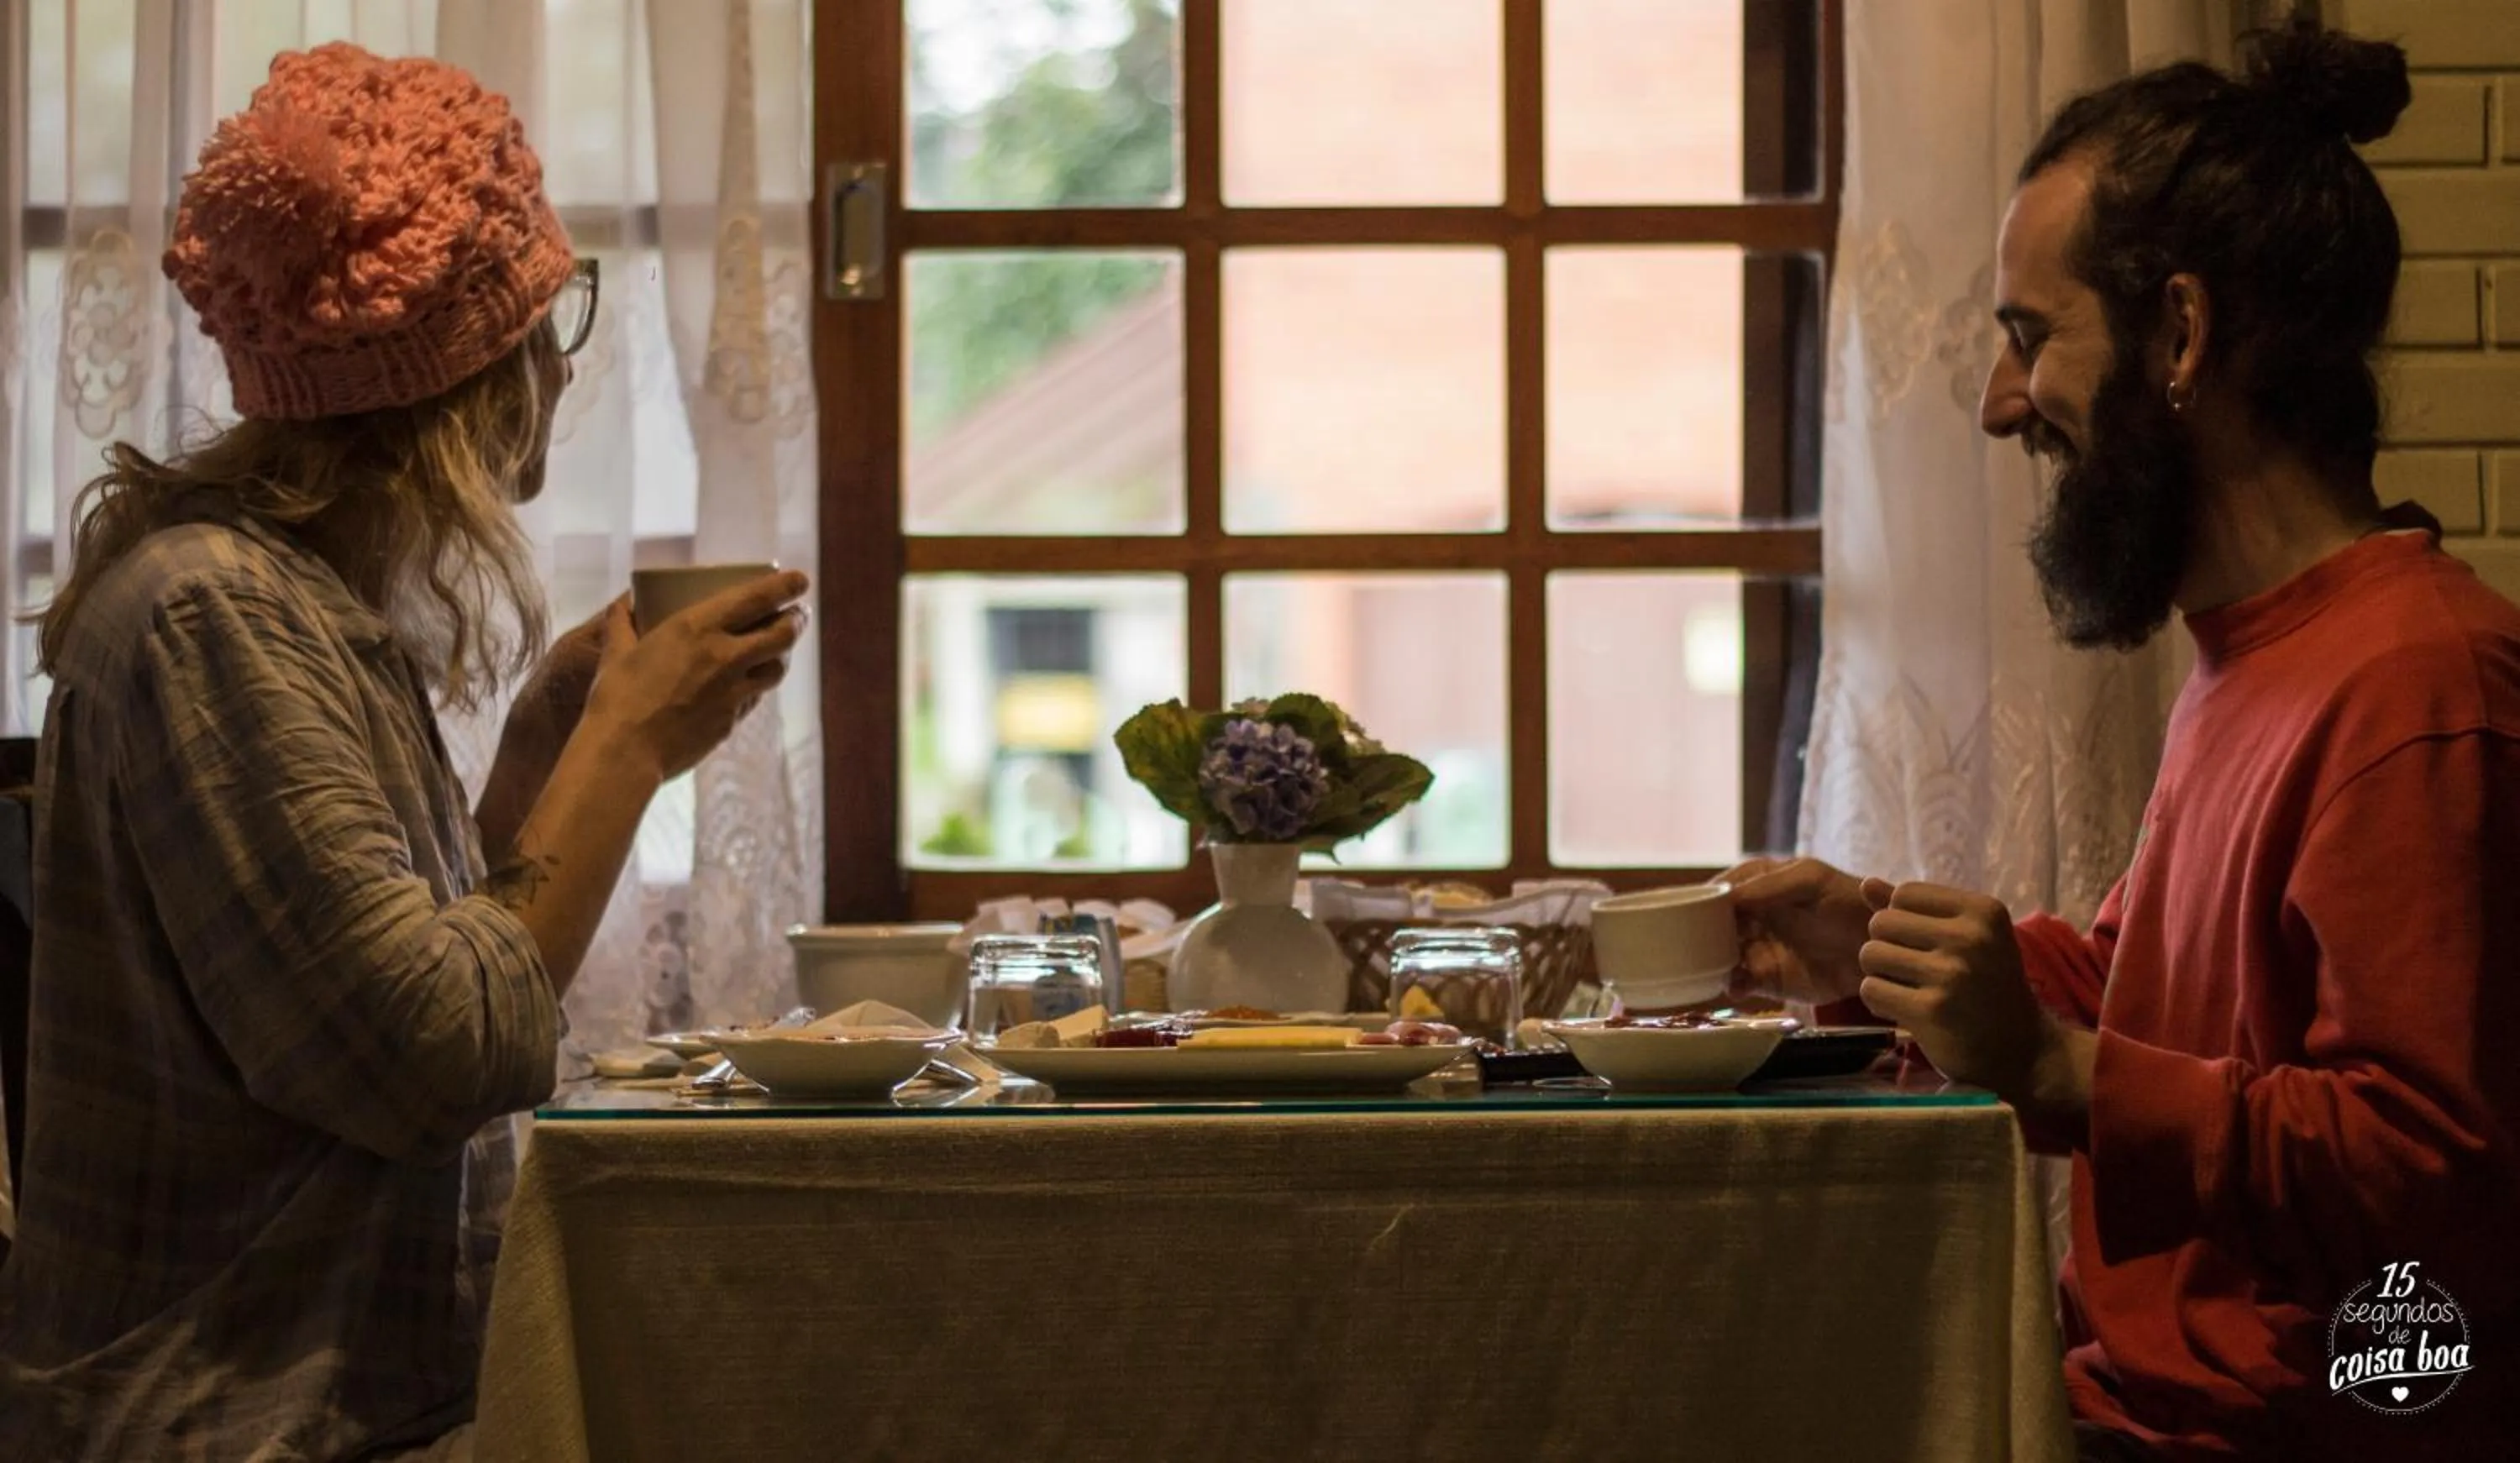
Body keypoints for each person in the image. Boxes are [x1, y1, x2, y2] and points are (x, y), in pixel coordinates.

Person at [1725, 18, 2517, 1463]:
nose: (1998, 403)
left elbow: (2426, 1163)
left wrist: (2057, 1066)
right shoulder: (2260, 648)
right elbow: (2166, 999)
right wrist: (1883, 951)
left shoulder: (2418, 684)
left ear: (2182, 334)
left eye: (2033, 337)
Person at [0, 44, 806, 1460]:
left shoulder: (289, 601)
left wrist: (541, 753)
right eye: (551, 316)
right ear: (475, 367)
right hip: (237, 1422)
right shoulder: (214, 615)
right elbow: (436, 1058)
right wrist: (621, 747)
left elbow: (379, 979)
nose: (563, 361)